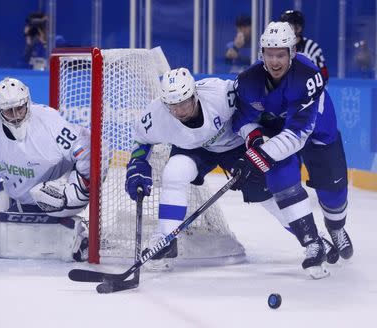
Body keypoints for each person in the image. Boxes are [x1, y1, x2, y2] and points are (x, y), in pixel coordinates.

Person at [124, 67, 297, 270]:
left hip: (235, 144)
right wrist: (137, 164)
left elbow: (250, 111)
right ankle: (166, 239)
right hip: (195, 149)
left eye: (184, 103)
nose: (179, 111)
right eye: (173, 106)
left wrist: (258, 138)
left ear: (194, 95)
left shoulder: (220, 94)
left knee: (265, 194)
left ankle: (309, 236)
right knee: (174, 171)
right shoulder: (156, 115)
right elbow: (140, 141)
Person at [231, 22, 353, 279]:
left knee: (333, 193)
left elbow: (298, 134)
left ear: (292, 53)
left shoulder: (307, 75)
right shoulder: (248, 80)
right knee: (279, 178)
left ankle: (336, 227)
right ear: (261, 53)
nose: (275, 61)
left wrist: (261, 155)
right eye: (269, 54)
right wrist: (254, 141)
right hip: (280, 130)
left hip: (318, 131)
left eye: (281, 54)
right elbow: (242, 119)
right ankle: (312, 243)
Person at [0, 77, 91, 262]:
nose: (15, 116)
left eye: (19, 108)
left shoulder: (50, 123)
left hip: (58, 200)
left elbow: (87, 148)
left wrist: (79, 188)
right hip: (18, 198)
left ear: (28, 103)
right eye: (8, 111)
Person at [280, 10, 329, 81]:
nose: (291, 30)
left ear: (300, 27)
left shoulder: (311, 47)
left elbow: (324, 74)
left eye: (295, 26)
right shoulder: (275, 46)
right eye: (287, 27)